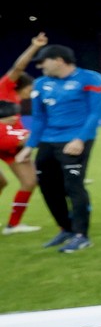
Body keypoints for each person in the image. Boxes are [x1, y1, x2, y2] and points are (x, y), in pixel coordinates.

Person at [27, 42, 101, 253]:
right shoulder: (40, 84)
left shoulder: (92, 79)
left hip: (75, 141)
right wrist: (30, 146)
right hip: (48, 140)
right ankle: (66, 228)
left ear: (59, 60)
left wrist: (80, 139)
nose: (40, 66)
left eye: (42, 61)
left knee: (74, 186)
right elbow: (38, 117)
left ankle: (82, 235)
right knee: (48, 187)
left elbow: (95, 114)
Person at [0, 100, 41, 234]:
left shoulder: (8, 125)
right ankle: (12, 225)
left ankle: (13, 224)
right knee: (28, 182)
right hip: (7, 148)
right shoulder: (2, 131)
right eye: (11, 115)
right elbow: (21, 140)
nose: (15, 117)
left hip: (8, 150)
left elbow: (21, 136)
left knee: (28, 181)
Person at [2, 32, 46, 110]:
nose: (30, 94)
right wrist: (35, 46)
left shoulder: (16, 102)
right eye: (29, 90)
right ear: (19, 86)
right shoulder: (3, 88)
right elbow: (18, 69)